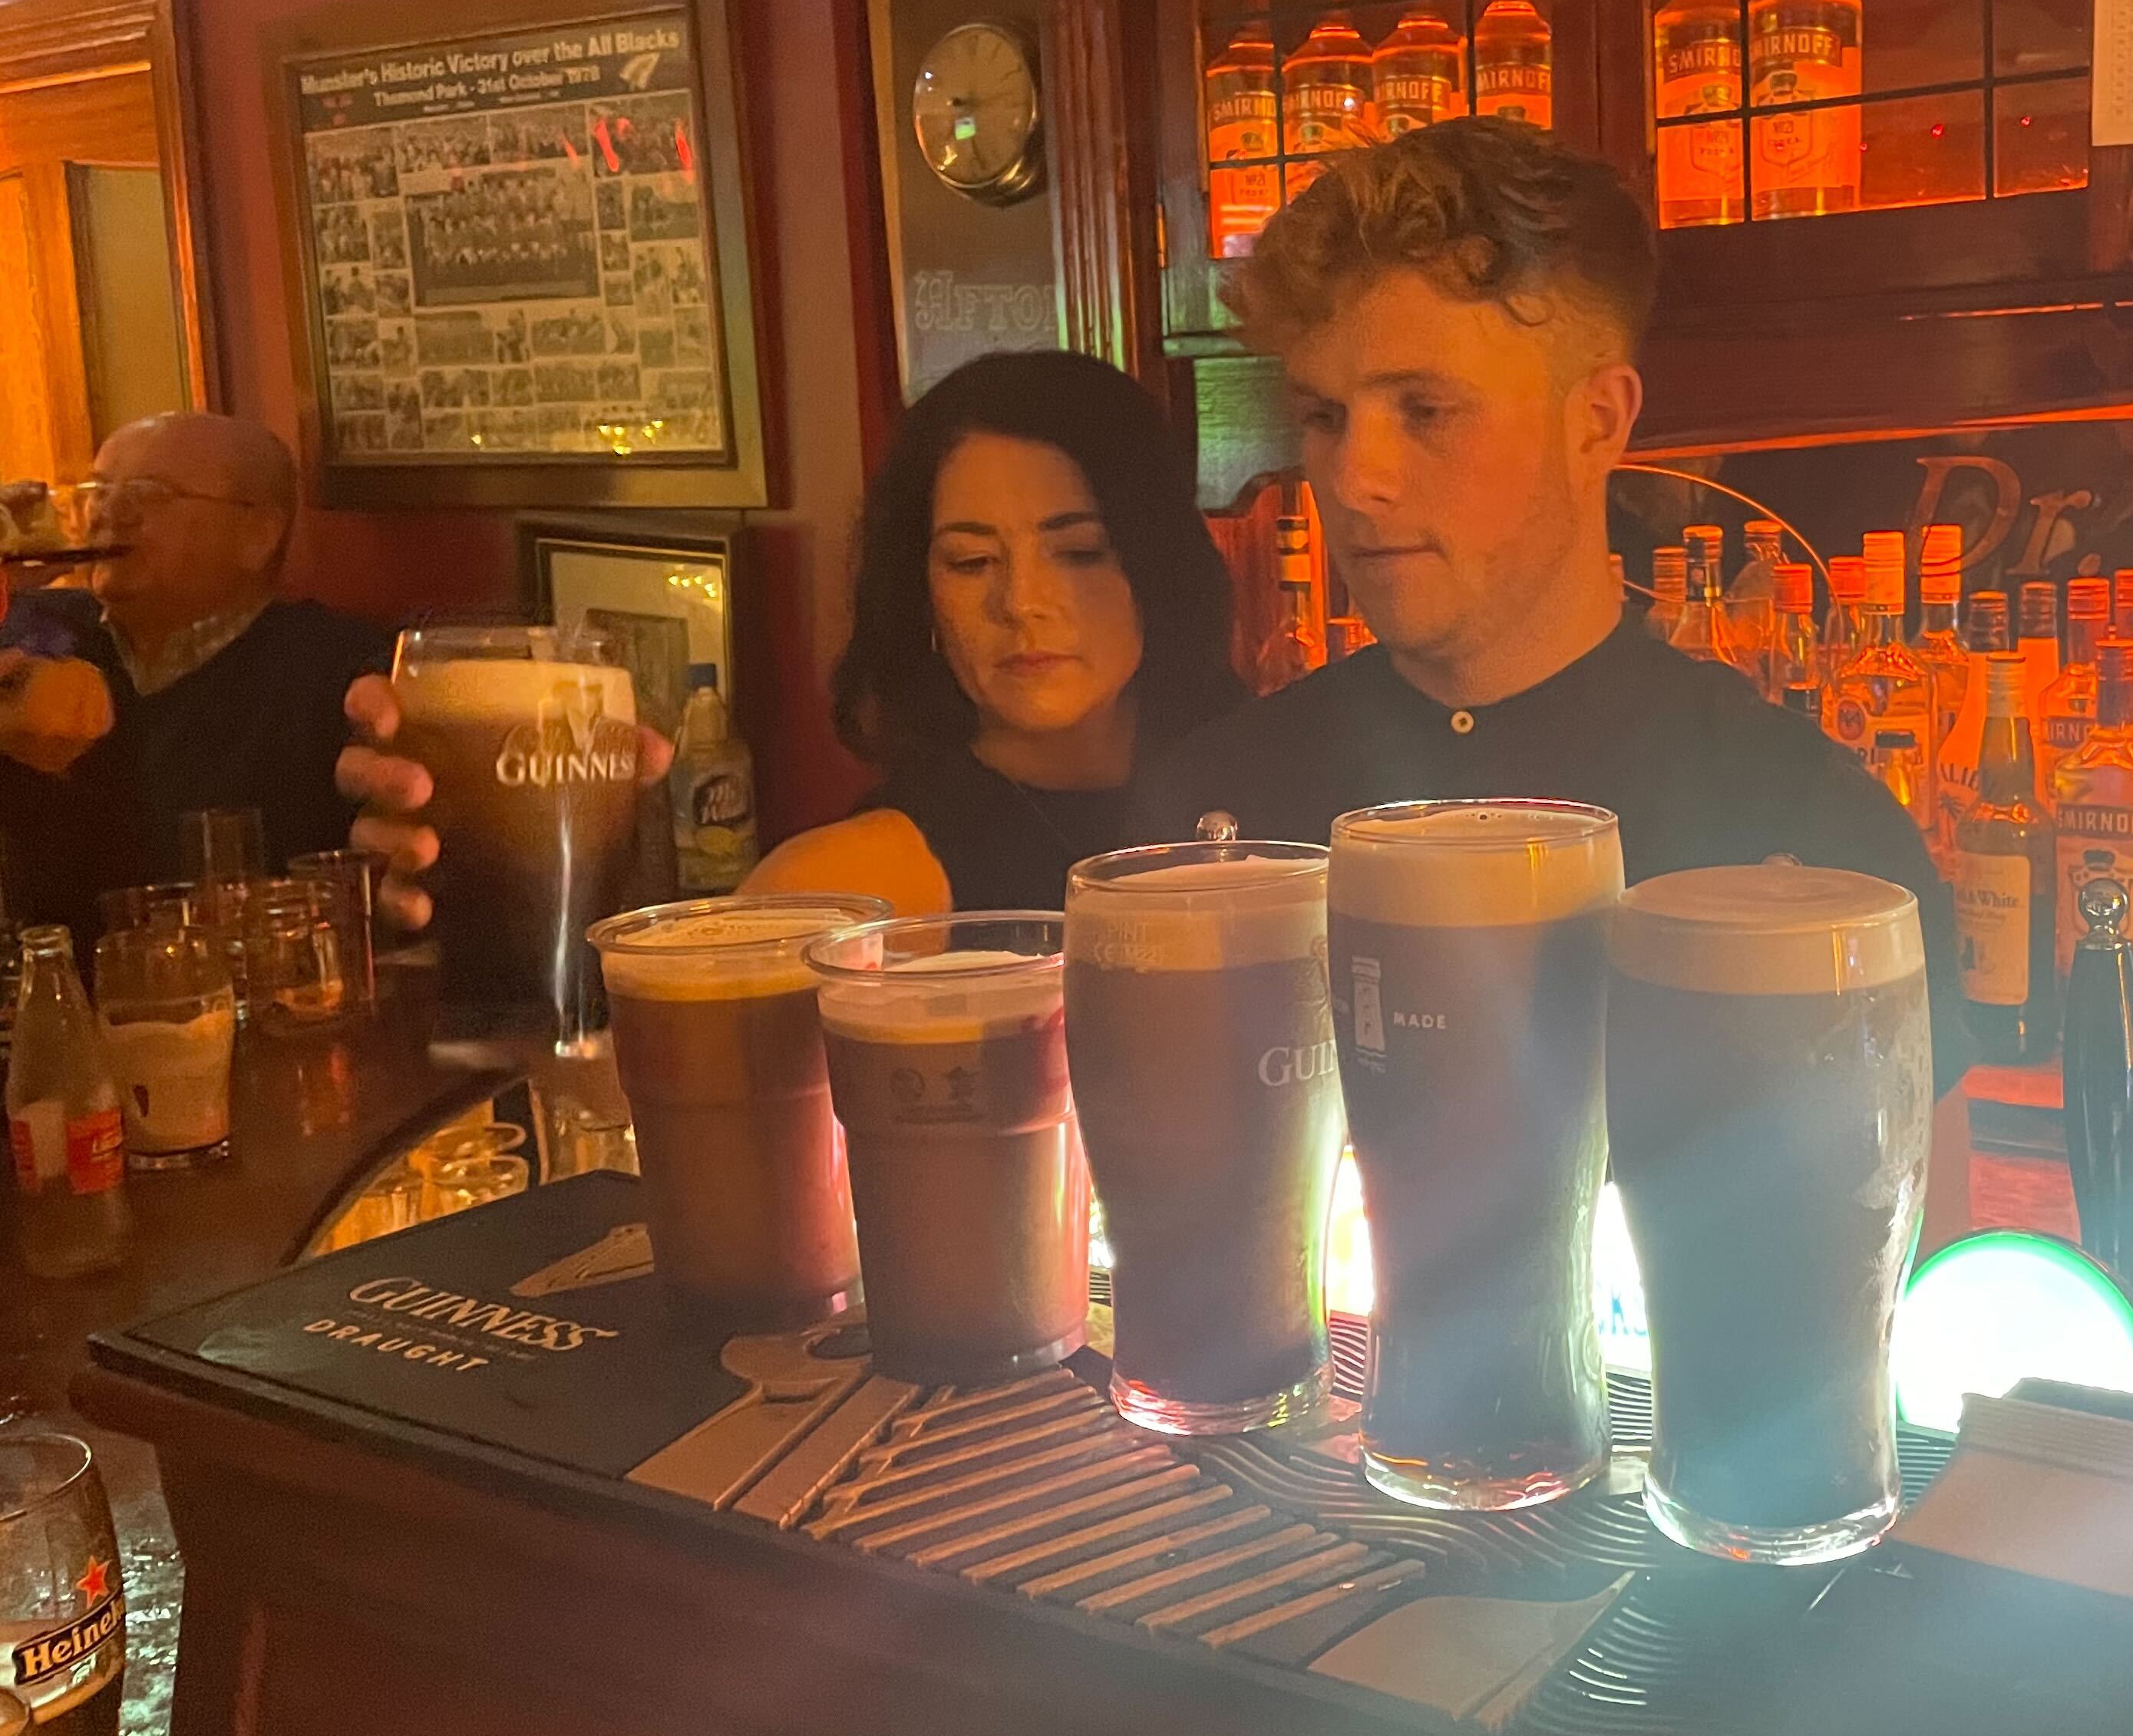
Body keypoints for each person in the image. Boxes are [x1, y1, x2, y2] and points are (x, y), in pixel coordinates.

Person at [1137, 117, 1970, 1090]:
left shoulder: (1807, 832)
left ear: (1598, 422)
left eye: (1426, 411)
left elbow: (1912, 1226)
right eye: (1324, 417)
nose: (1354, 479)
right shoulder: (1213, 828)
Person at [336, 352, 1244, 929]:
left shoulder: (1278, 784)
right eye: (971, 563)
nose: (1024, 602)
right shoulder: (855, 881)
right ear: (921, 597)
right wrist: (500, 883)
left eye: (1079, 551)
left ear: (1159, 563)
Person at [0, 412, 388, 937]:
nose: (109, 512)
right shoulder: (30, 631)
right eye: (99, 490)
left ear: (257, 535)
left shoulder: (338, 671)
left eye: (150, 493)